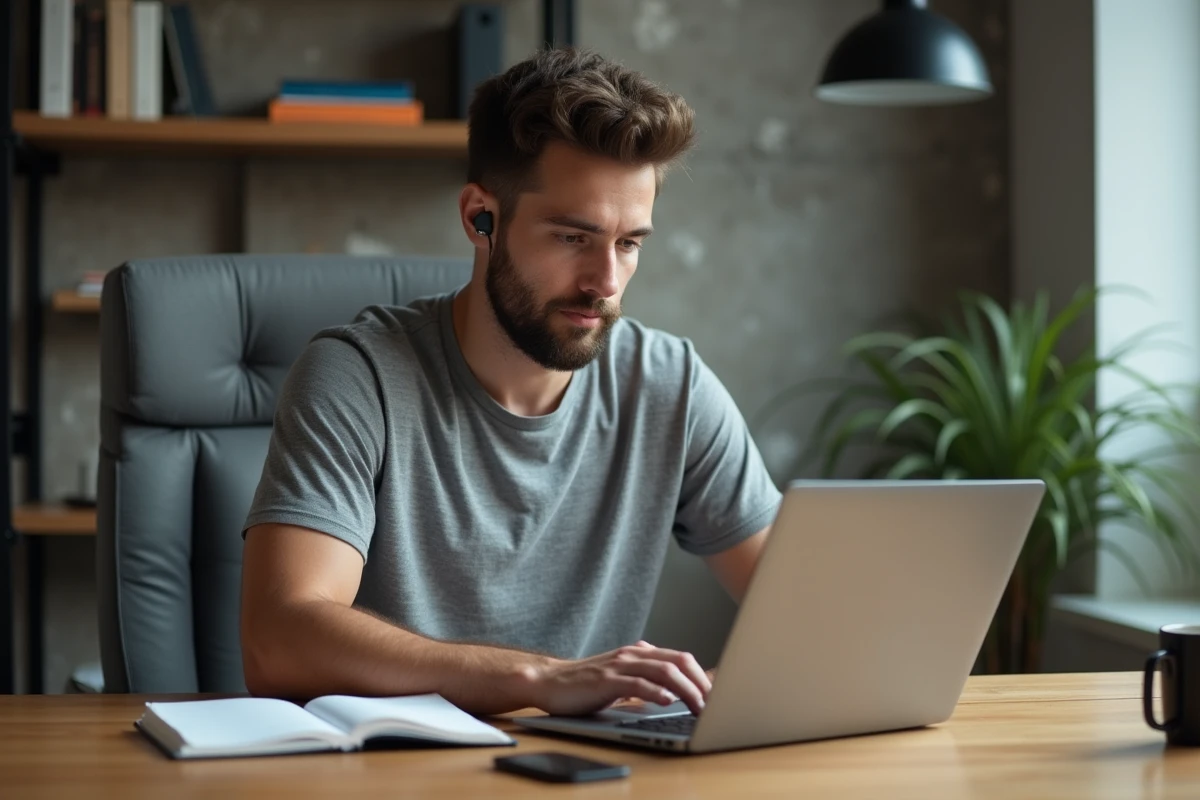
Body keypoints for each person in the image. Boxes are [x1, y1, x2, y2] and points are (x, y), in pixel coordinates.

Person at [239, 47, 781, 718]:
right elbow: (279, 639)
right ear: (479, 218)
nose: (606, 283)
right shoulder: (359, 378)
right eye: (572, 238)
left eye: (630, 243)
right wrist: (538, 679)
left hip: (590, 777)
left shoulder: (669, 386)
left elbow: (805, 603)